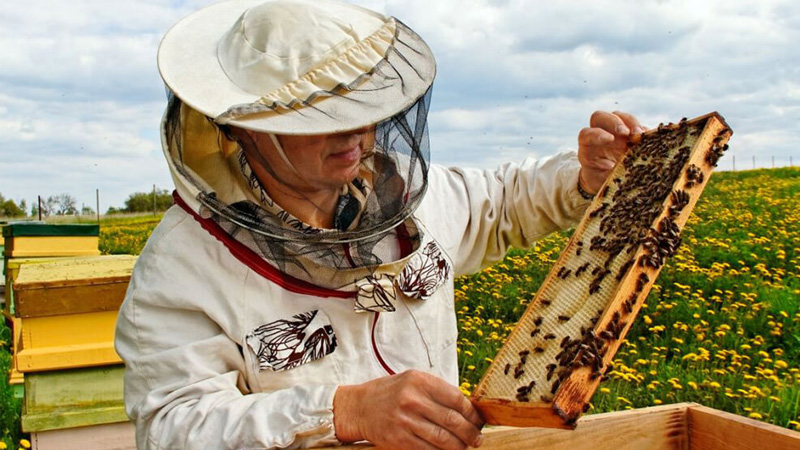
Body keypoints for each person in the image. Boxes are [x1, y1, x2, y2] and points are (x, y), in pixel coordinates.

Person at [114, 0, 645, 449]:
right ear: (242, 127)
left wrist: (584, 178)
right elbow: (172, 425)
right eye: (317, 114)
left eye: (357, 100)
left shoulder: (408, 195)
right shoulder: (181, 266)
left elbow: (504, 202)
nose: (354, 131)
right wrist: (343, 411)